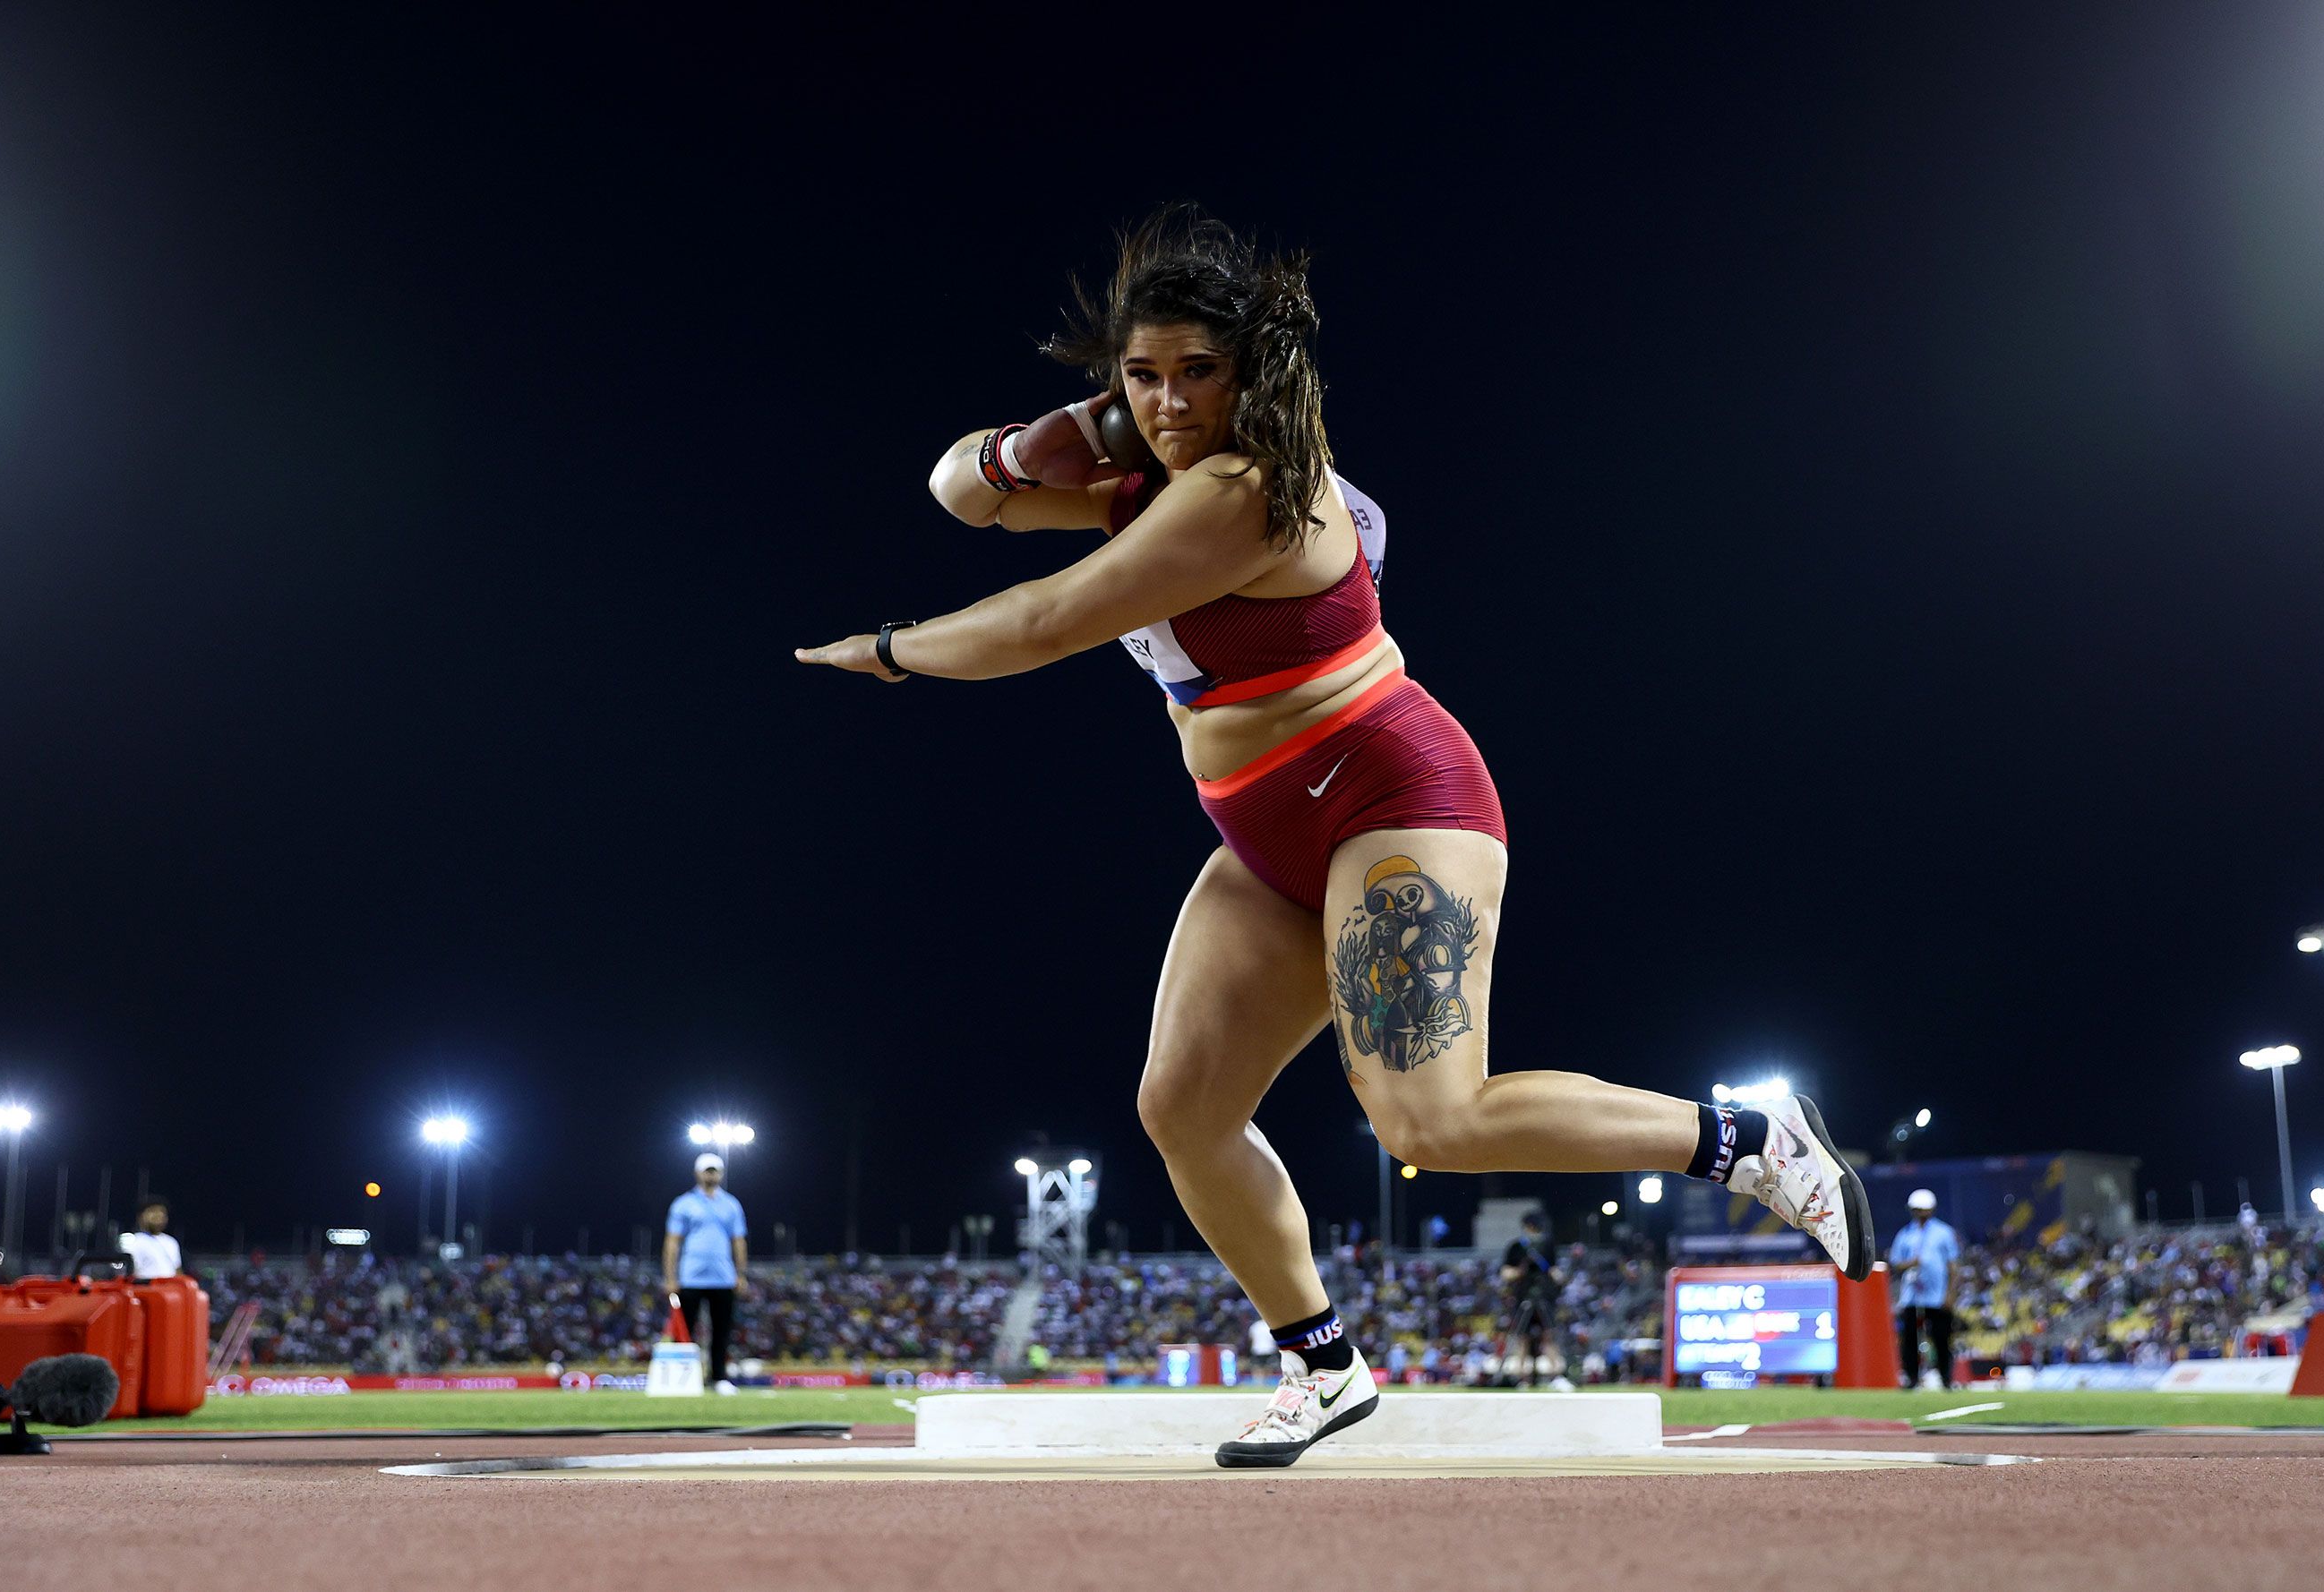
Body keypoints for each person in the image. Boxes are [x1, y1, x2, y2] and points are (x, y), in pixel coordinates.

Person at [797, 207, 1873, 1467]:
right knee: (1183, 1107)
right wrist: (1055, 434)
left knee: (1431, 1120)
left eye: (1198, 371)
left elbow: (1045, 620)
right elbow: (960, 495)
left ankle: (1752, 1141)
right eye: (1142, 376)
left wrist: (885, 651)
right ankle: (1322, 1364)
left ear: (1253, 370)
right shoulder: (1140, 472)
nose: (1171, 401)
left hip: (1391, 798)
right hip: (1264, 839)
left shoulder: (1250, 489)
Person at [661, 1153, 748, 1390]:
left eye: (714, 1170)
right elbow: (672, 1242)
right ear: (697, 1173)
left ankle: (718, 1377)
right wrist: (670, 1277)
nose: (710, 1175)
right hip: (690, 1277)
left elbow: (738, 1241)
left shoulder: (731, 1204)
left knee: (722, 1331)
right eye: (707, 1170)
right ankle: (684, 1379)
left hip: (723, 1277)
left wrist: (740, 1274)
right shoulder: (683, 1204)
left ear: (720, 1174)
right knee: (685, 1330)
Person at [1889, 1187, 1960, 1389]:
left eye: (1925, 1209)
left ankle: (1946, 1379)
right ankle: (1911, 1378)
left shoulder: (1944, 1233)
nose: (1921, 1214)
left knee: (1942, 1338)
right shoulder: (1905, 1234)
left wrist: (1950, 1294)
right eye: (1917, 1210)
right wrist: (1911, 1263)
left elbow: (1953, 1266)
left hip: (1937, 1296)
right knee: (1909, 1339)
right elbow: (1896, 1262)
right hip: (1912, 1296)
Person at [1498, 1211, 1560, 1387]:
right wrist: (1521, 1271)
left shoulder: (1547, 1246)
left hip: (1543, 1297)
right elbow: (1506, 1273)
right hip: (1523, 1296)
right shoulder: (1517, 1247)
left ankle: (1556, 1377)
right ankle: (1522, 1379)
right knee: (1522, 1338)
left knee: (1548, 1336)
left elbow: (1555, 1272)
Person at [117, 1199, 181, 1280]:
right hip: (145, 1289)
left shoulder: (171, 1241)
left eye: (162, 1212)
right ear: (141, 1217)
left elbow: (177, 1271)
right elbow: (126, 1273)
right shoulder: (134, 1241)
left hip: (169, 1289)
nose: (158, 1215)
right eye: (153, 1211)